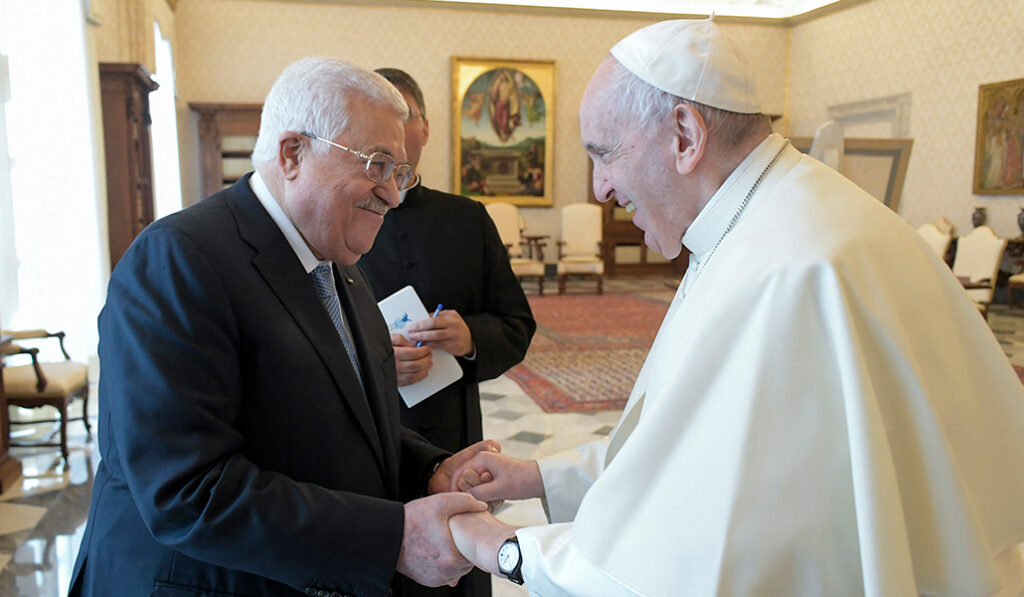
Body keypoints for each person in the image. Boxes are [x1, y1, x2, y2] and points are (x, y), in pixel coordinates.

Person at [445, 18, 1024, 597]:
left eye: (606, 154)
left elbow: (702, 553)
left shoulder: (786, 269)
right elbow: (689, 450)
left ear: (685, 136)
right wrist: (541, 475)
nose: (600, 188)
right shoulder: (776, 219)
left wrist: (506, 549)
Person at [69, 57, 500, 597]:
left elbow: (346, 422)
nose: (393, 193)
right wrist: (391, 539)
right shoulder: (177, 259)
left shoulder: (337, 263)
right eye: (376, 164)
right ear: (292, 152)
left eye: (401, 173)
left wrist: (430, 468)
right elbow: (188, 490)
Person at [359, 67, 536, 597]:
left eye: (404, 114)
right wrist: (377, 358)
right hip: (367, 434)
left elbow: (517, 324)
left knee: (454, 574)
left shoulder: (468, 220)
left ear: (424, 128)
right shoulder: (340, 218)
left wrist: (471, 337)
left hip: (446, 435)